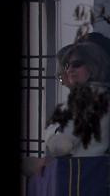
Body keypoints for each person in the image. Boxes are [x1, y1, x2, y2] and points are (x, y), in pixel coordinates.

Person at [26, 33, 110, 176]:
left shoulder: (88, 98)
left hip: (85, 176)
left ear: (93, 65)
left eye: (76, 65)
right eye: (66, 66)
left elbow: (61, 146)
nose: (69, 71)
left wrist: (50, 136)